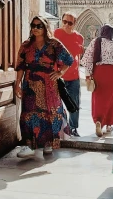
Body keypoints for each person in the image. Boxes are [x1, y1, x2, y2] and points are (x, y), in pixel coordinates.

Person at [14, 15, 74, 159]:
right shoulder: (26, 45)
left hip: (49, 85)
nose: (35, 28)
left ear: (45, 27)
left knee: (50, 114)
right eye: (33, 26)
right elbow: (21, 66)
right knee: (29, 114)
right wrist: (17, 84)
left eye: (39, 26)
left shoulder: (54, 44)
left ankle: (48, 143)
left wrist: (60, 73)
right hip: (30, 85)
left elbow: (69, 60)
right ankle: (30, 145)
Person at [81, 24, 113, 138]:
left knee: (98, 98)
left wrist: (88, 74)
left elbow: (87, 59)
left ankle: (99, 121)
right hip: (112, 75)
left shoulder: (96, 41)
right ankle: (109, 124)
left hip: (99, 73)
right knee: (111, 99)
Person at [53, 13, 84, 136]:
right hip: (58, 76)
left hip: (74, 76)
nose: (66, 24)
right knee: (55, 103)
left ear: (74, 23)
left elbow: (78, 57)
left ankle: (73, 128)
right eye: (64, 21)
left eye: (69, 23)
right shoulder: (56, 34)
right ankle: (58, 129)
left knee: (75, 103)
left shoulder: (79, 37)